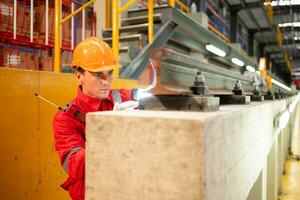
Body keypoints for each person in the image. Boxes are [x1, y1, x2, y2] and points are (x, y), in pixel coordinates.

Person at [53, 37, 137, 200]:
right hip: (92, 191)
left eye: (110, 73)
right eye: (98, 75)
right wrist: (108, 133)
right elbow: (74, 166)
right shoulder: (65, 119)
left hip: (126, 186)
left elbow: (158, 104)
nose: (107, 82)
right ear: (79, 76)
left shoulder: (123, 97)